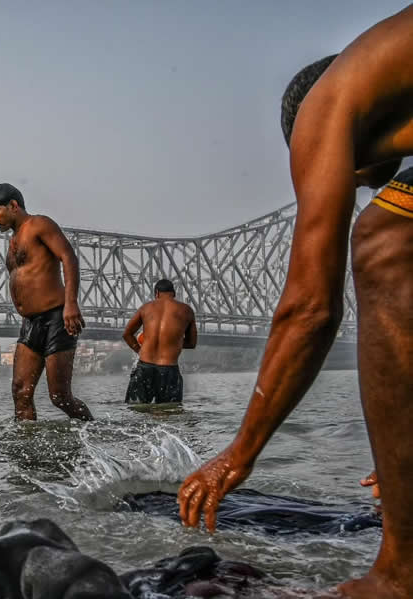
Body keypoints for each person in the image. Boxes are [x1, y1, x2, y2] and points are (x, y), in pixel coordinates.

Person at [178, 6, 413, 597]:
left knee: (383, 243)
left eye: (350, 178)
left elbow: (311, 308)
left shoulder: (323, 104)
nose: (364, 186)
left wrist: (240, 453)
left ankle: (399, 575)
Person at [0, 183, 93, 421]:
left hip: (56, 318)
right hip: (30, 323)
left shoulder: (39, 224)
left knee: (60, 396)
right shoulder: (13, 242)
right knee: (20, 392)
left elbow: (68, 257)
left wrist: (71, 304)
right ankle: (27, 451)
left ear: (13, 205)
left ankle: (92, 433)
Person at [121, 279, 197, 404]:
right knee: (169, 415)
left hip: (144, 367)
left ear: (156, 293)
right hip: (169, 370)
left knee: (135, 414)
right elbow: (192, 343)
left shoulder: (145, 308)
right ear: (174, 293)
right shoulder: (186, 310)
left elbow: (127, 334)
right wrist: (172, 342)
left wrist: (140, 350)